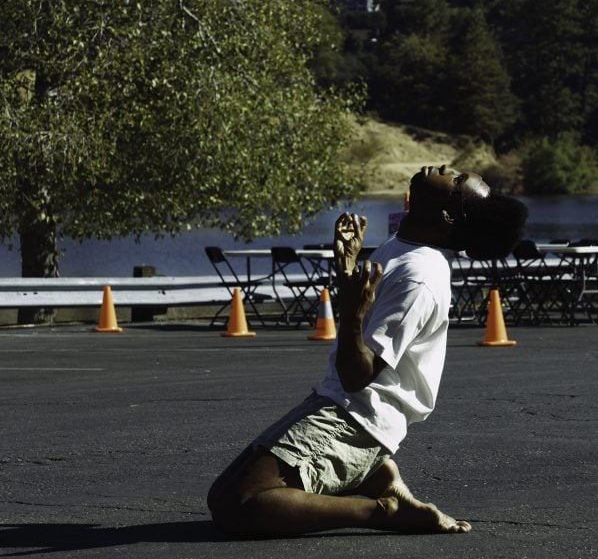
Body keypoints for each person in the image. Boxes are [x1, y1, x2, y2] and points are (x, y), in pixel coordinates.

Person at [207, 165, 527, 538]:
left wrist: (352, 310)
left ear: (445, 214)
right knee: (221, 496)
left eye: (456, 180)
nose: (446, 168)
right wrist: (347, 274)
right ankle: (380, 478)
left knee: (238, 506)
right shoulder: (402, 247)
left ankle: (383, 510)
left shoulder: (418, 278)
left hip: (356, 416)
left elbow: (358, 375)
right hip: (337, 402)